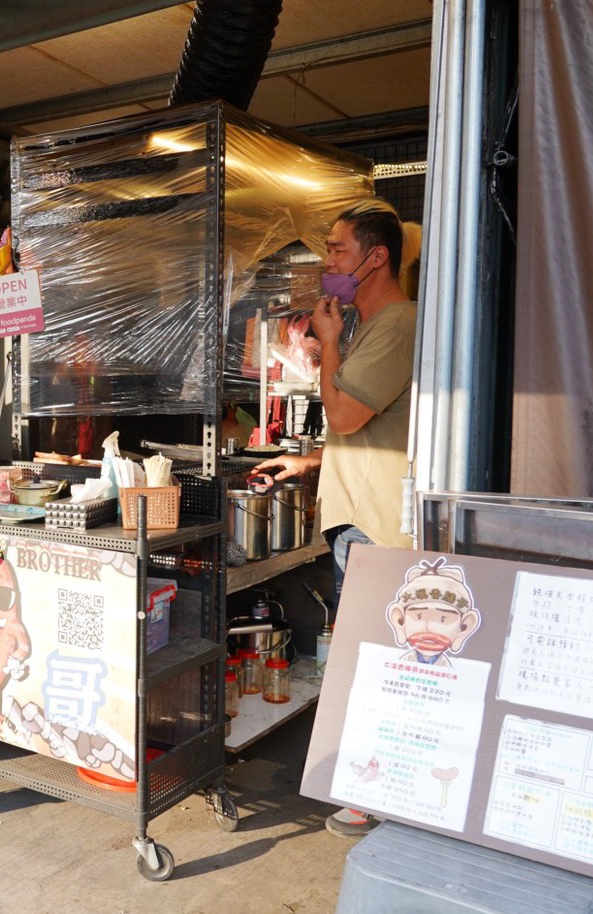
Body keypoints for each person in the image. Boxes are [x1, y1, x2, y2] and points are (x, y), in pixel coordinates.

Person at [253, 197, 421, 839]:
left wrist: (324, 344)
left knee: (377, 658)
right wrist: (310, 463)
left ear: (376, 257)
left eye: (336, 250)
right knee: (368, 653)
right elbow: (368, 430)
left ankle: (376, 789)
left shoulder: (397, 325)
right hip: (362, 514)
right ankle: (374, 783)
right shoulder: (372, 328)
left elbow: (348, 414)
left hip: (379, 524)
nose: (327, 264)